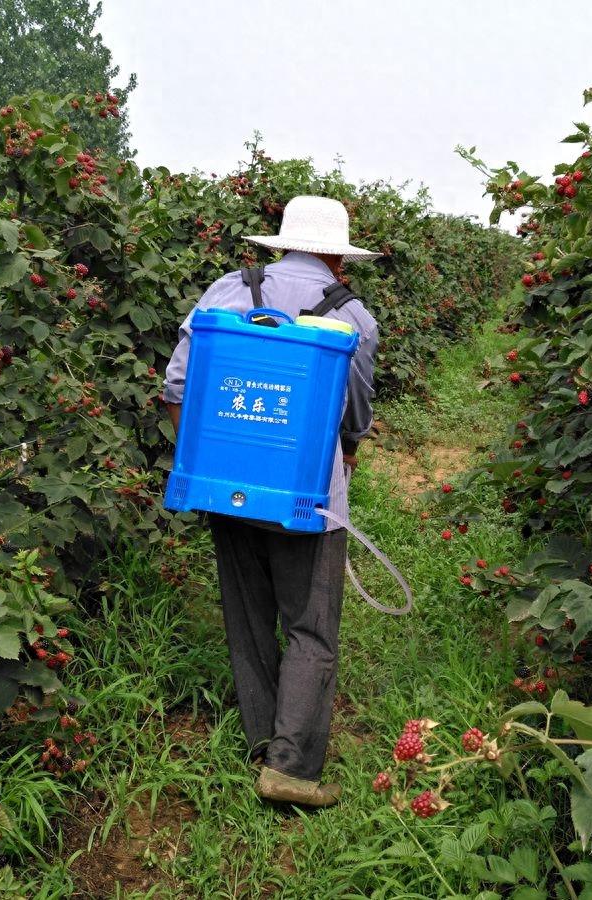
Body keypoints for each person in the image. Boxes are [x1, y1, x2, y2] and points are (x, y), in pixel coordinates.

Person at [162, 195, 380, 807]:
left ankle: (261, 740)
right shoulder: (352, 316)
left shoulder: (227, 291)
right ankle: (290, 768)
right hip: (307, 498)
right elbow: (354, 413)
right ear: (338, 257)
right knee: (311, 626)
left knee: (248, 615)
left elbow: (178, 385)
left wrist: (206, 464)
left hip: (226, 488)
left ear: (280, 244)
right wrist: (348, 453)